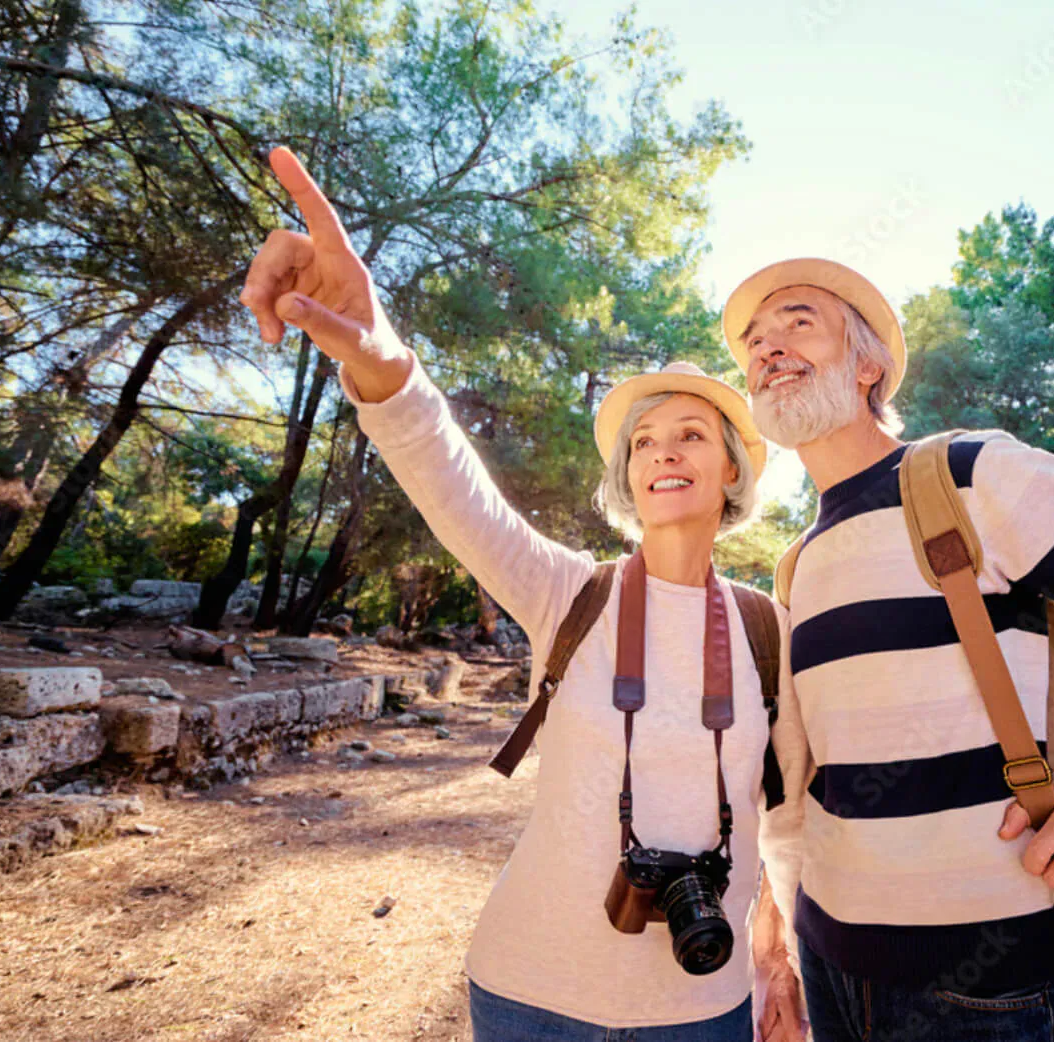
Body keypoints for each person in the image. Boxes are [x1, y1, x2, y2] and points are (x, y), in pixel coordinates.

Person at [238, 146, 806, 1042]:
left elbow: (790, 818)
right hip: (530, 995)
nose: (664, 450)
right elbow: (447, 480)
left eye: (692, 433)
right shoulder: (567, 594)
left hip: (704, 1006)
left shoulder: (771, 629)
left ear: (731, 468)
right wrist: (378, 349)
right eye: (645, 440)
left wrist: (775, 952)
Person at [731, 258, 1054, 1041]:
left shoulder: (971, 476)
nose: (767, 349)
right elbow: (800, 790)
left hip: (980, 983)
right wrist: (781, 946)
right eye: (754, 342)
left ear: (870, 366)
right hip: (826, 957)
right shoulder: (798, 563)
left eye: (798, 322)